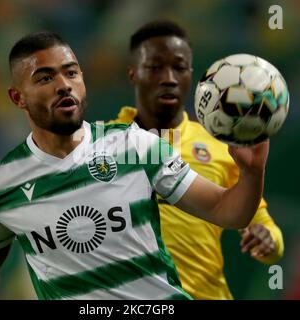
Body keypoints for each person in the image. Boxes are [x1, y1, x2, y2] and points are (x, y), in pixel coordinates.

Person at [0, 31, 269, 300]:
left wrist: (252, 173)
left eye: (71, 72)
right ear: (17, 97)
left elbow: (225, 211)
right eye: (46, 78)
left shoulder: (135, 146)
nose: (64, 85)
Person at [109, 20, 284, 299]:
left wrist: (267, 239)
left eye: (179, 68)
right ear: (133, 74)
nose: (169, 78)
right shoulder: (101, 147)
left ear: (192, 76)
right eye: (155, 67)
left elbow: (267, 232)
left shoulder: (222, 148)